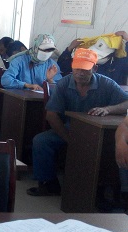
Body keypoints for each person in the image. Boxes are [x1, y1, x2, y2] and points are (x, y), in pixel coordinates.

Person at [28, 48, 128, 197]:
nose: (80, 73)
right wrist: (68, 138)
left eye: (85, 69)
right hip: (70, 129)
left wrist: (108, 109)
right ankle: (49, 183)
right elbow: (51, 115)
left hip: (97, 132)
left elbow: (126, 102)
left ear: (95, 68)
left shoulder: (106, 83)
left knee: (115, 144)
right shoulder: (63, 84)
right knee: (41, 141)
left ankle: (108, 189)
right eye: (77, 69)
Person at [57, 31, 128, 86]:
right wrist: (69, 49)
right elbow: (61, 67)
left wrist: (127, 39)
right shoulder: (82, 61)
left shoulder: (118, 65)